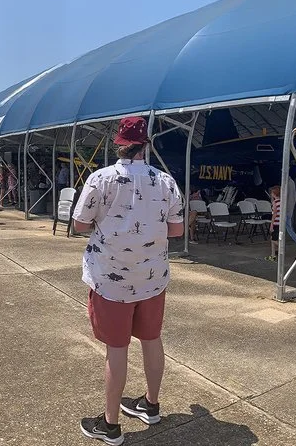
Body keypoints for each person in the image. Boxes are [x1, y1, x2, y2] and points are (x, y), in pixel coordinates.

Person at [69, 116, 186, 445]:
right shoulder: (165, 181)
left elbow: (79, 224)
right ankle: (151, 405)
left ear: (118, 144)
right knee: (152, 340)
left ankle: (110, 425)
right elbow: (176, 230)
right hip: (152, 279)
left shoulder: (101, 178)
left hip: (111, 280)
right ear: (145, 146)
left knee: (116, 349)